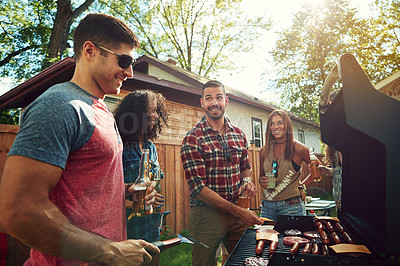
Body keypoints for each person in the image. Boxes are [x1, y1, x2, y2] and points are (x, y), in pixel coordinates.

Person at [0, 13, 160, 265]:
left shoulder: (103, 111)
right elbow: (17, 211)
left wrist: (126, 195)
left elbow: (85, 190)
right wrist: (112, 252)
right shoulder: (59, 105)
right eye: (125, 60)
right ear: (90, 50)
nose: (129, 72)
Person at [181, 80, 263, 266]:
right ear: (202, 103)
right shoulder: (192, 138)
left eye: (219, 97)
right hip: (206, 215)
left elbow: (245, 167)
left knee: (244, 261)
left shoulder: (239, 134)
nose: (214, 102)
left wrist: (247, 181)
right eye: (208, 98)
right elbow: (198, 189)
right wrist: (240, 212)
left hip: (237, 212)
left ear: (226, 101)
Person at [114, 89, 168, 266]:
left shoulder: (150, 147)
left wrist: (155, 191)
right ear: (135, 113)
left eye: (156, 111)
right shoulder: (118, 145)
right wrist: (131, 192)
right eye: (150, 111)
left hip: (152, 230)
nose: (155, 116)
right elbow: (107, 186)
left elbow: (155, 180)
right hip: (127, 233)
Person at [259, 109, 321, 221]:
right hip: (267, 206)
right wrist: (261, 181)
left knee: (294, 238)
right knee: (267, 238)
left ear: (287, 125)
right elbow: (261, 177)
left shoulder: (297, 148)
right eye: (272, 124)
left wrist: (302, 186)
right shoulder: (264, 151)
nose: (275, 127)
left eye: (280, 123)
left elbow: (319, 169)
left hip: (292, 206)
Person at [318, 90, 343, 210]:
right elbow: (341, 171)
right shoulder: (334, 140)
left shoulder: (348, 138)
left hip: (352, 204)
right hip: (339, 203)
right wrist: (328, 171)